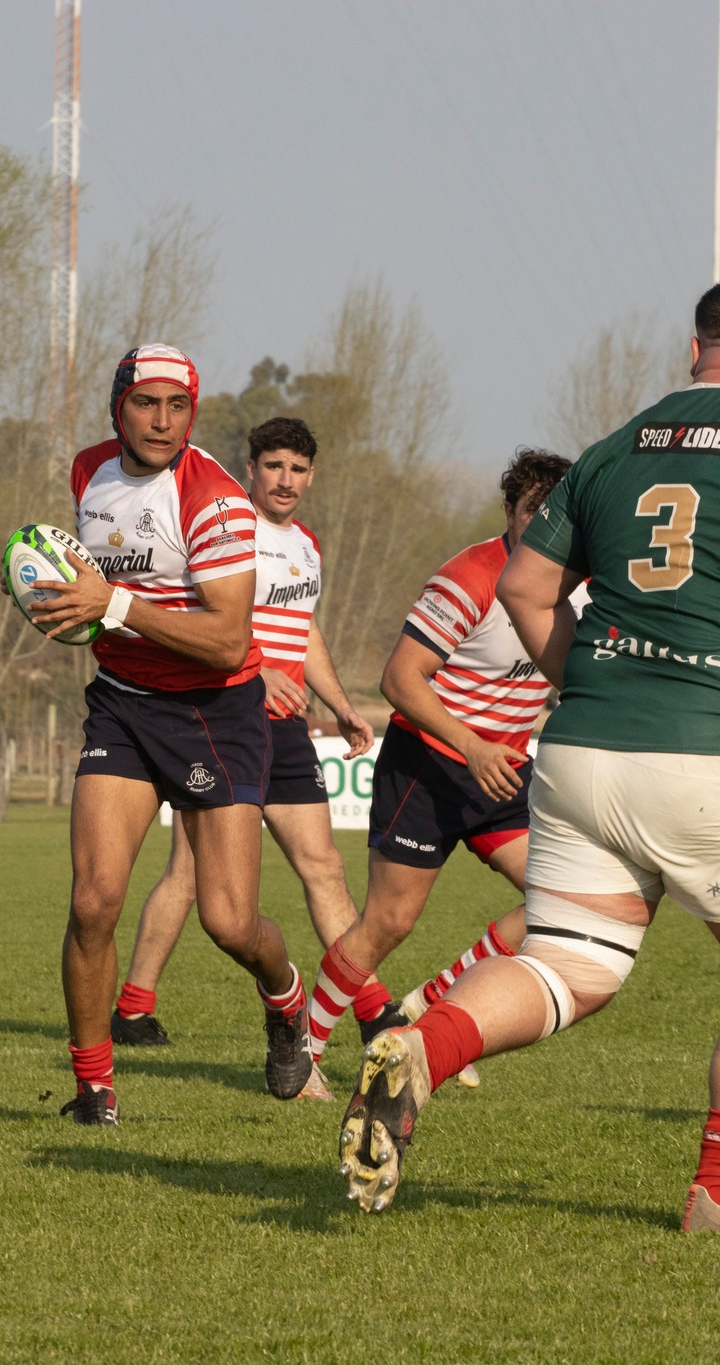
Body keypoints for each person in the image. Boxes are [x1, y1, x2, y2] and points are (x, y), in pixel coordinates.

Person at [337, 277, 720, 1232]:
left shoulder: (613, 448)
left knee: (570, 961)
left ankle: (425, 1048)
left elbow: (526, 585)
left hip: (584, 750)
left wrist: (579, 679)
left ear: (694, 352)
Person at [27, 344, 313, 1126]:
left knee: (228, 920)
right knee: (93, 901)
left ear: (193, 410)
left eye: (177, 406)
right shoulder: (89, 471)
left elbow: (226, 642)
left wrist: (108, 604)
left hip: (214, 713)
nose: (161, 421)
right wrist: (57, 602)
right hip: (121, 703)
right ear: (117, 405)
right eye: (145, 403)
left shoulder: (215, 499)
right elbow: (90, 586)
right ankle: (94, 1092)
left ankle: (285, 998)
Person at [105, 416, 375, 1103]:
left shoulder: (306, 547)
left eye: (299, 468)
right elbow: (213, 617)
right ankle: (136, 1006)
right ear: (250, 467)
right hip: (225, 712)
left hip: (283, 728)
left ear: (312, 477)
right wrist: (259, 676)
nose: (286, 479)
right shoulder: (228, 526)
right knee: (196, 877)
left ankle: (374, 1015)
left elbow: (302, 628)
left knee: (314, 866)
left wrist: (338, 701)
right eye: (274, 465)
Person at [301, 449, 578, 1086]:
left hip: (502, 774)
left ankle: (426, 1008)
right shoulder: (470, 577)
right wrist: (473, 747)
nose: (544, 525)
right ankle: (303, 1048)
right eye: (532, 511)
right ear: (509, 511)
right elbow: (399, 678)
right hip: (428, 766)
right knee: (387, 924)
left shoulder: (581, 585)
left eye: (556, 513)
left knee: (557, 897)